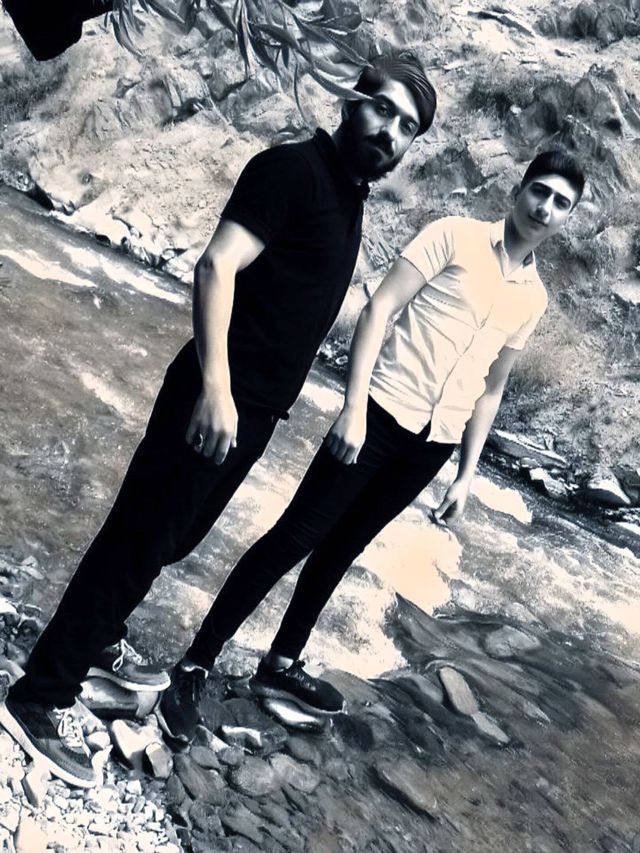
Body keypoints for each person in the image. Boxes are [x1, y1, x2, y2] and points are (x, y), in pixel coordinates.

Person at [0, 54, 436, 787]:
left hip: (254, 409)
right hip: (217, 396)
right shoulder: (292, 171)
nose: (390, 130)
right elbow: (215, 267)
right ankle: (40, 696)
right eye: (384, 108)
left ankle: (97, 638)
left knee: (170, 539)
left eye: (408, 126)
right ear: (350, 99)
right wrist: (214, 386)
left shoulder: (346, 196)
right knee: (136, 541)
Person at [153, 149, 585, 742]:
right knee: (294, 537)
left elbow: (493, 386)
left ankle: (281, 661)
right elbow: (378, 309)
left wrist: (466, 474)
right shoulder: (454, 235)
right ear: (519, 190)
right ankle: (195, 664)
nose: (545, 207)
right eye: (540, 191)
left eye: (561, 203)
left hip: (433, 442)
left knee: (342, 549)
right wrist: (353, 407)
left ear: (567, 218)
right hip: (378, 414)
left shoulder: (532, 298)